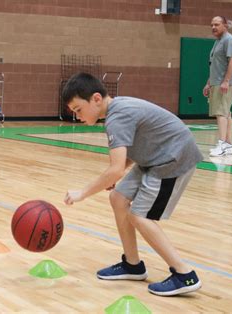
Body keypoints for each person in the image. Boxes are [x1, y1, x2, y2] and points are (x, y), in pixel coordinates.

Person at [62, 72, 203, 297]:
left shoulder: (117, 118)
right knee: (118, 198)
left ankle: (185, 274)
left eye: (79, 109)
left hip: (173, 158)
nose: (77, 116)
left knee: (140, 216)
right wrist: (116, 175)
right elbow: (128, 153)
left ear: (96, 99)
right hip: (155, 156)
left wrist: (82, 193)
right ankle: (132, 264)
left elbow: (115, 169)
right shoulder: (117, 108)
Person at [202, 16, 232, 157]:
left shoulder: (229, 40)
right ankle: (229, 145)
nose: (213, 27)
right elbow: (215, 65)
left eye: (217, 24)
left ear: (225, 25)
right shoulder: (218, 41)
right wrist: (209, 82)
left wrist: (226, 81)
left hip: (224, 83)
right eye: (212, 25)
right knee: (226, 112)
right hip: (216, 82)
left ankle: (222, 144)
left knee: (221, 113)